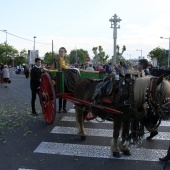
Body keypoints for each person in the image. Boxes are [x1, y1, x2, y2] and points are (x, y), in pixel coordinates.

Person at [137, 59, 158, 139]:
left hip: (145, 99)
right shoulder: (146, 72)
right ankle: (152, 130)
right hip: (146, 98)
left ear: (142, 65)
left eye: (138, 64)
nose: (137, 66)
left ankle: (141, 132)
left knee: (140, 114)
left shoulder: (145, 73)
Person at [58, 47, 70, 113]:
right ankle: (60, 108)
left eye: (62, 51)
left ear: (65, 53)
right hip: (59, 75)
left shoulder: (66, 59)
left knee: (65, 93)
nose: (61, 53)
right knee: (61, 92)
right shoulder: (58, 59)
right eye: (60, 51)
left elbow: (66, 66)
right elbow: (63, 66)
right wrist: (69, 67)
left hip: (66, 75)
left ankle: (64, 107)